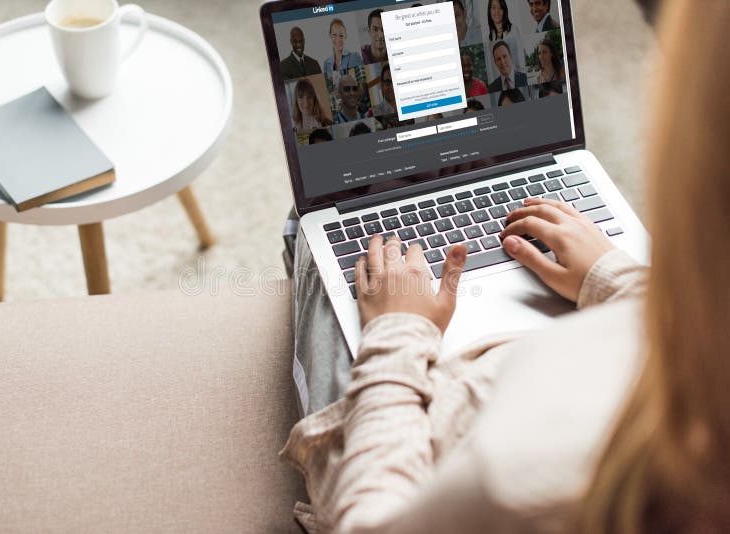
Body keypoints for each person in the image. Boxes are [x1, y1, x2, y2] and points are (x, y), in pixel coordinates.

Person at [281, 1, 730, 532]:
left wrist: (397, 335)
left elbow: (373, 519)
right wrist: (619, 282)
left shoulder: (514, 486)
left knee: (317, 226)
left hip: (420, 419)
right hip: (581, 339)